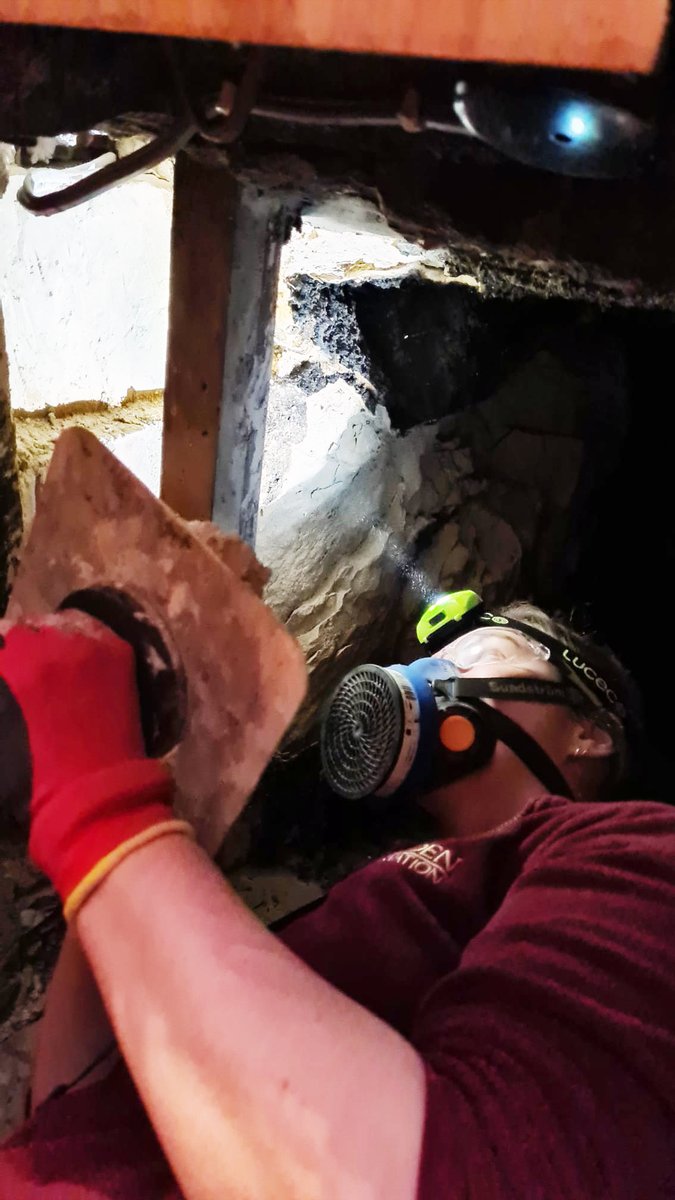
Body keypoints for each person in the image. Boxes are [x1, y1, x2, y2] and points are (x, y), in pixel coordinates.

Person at [0, 597, 674, 1199]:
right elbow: (72, 1110)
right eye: (434, 659)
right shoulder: (401, 893)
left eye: (485, 655)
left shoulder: (638, 852)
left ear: (590, 733)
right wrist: (133, 803)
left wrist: (94, 803)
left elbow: (463, 1172)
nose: (434, 677)